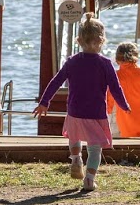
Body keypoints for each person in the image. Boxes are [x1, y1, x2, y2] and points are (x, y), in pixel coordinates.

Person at [32, 14, 130, 193]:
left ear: (78, 40)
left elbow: (55, 82)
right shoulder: (105, 64)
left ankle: (76, 159)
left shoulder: (72, 62)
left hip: (74, 112)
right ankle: (89, 180)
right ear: (102, 40)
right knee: (95, 148)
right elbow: (116, 89)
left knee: (74, 136)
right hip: (96, 113)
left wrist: (44, 102)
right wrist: (125, 106)